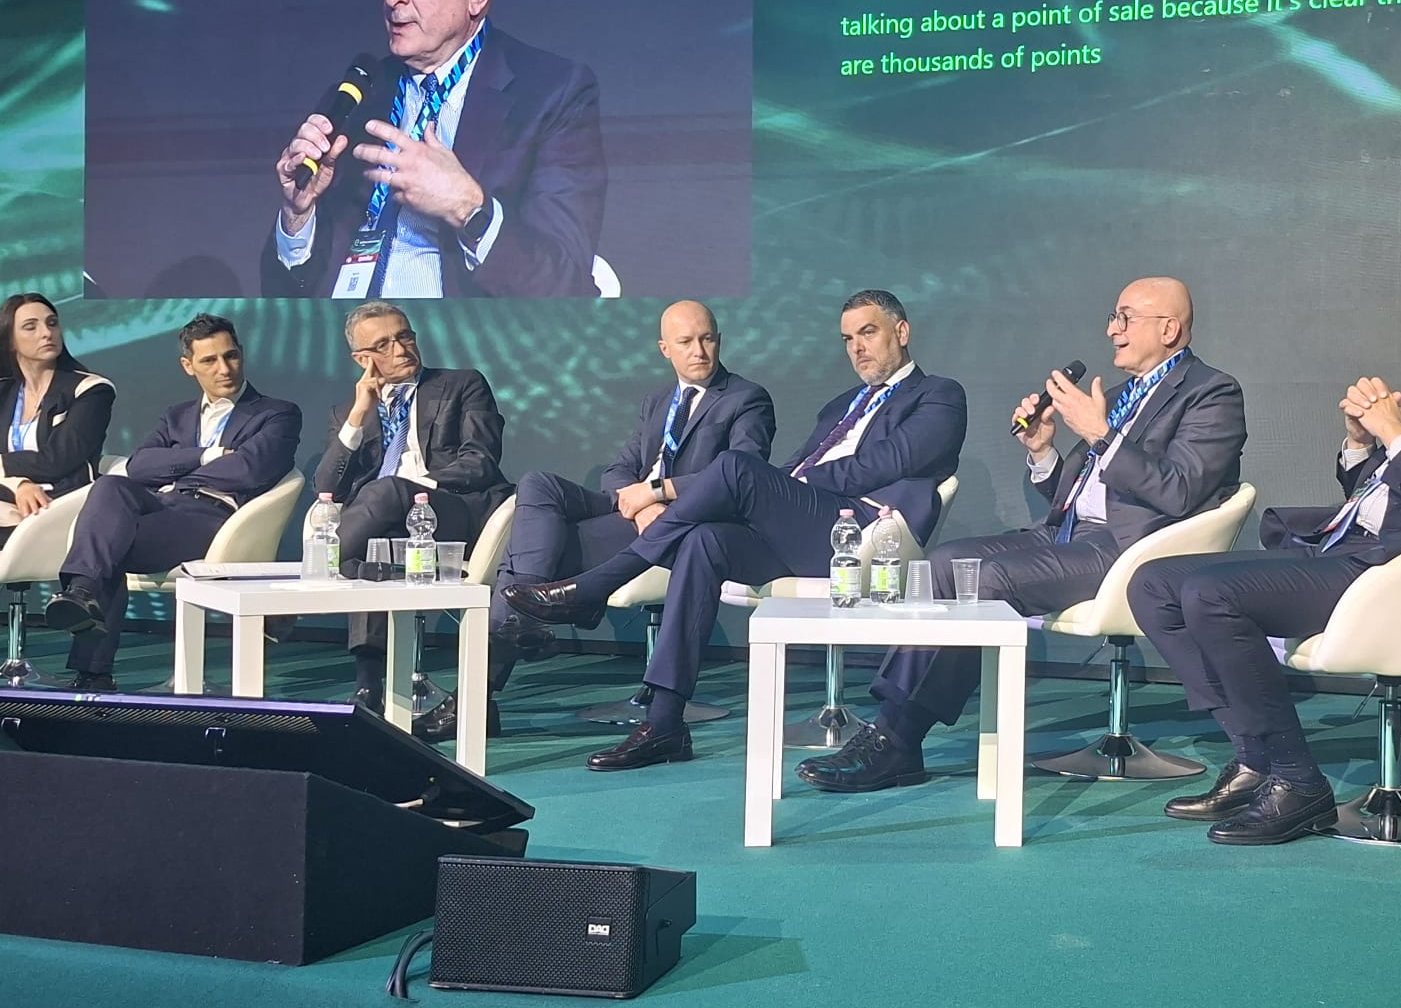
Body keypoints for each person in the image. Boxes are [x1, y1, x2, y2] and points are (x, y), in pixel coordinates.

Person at [1128, 254, 1401, 845]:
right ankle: (1256, 758)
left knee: (1211, 594)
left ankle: (1297, 783)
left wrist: (1396, 433)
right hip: (1346, 551)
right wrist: (1362, 445)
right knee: (1154, 582)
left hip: (1399, 574)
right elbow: (1385, 496)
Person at [798, 277, 1247, 794]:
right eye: (1113, 318)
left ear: (1168, 329)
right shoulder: (1120, 396)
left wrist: (1100, 434)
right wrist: (1043, 452)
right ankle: (895, 728)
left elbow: (1179, 491)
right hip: (1066, 533)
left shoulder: (1210, 392)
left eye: (1125, 318)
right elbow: (1078, 493)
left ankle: (895, 738)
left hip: (1128, 548)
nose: (1112, 330)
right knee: (944, 563)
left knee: (986, 582)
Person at [504, 289, 967, 773]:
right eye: (848, 338)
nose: (857, 347)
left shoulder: (939, 394)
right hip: (806, 530)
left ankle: (596, 586)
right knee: (705, 541)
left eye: (867, 333)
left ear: (901, 331)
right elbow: (795, 466)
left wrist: (784, 486)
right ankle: (664, 723)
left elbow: (888, 462)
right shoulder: (839, 406)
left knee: (735, 467)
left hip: (862, 531)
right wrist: (779, 486)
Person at [264, 0, 606, 299]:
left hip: (456, 336)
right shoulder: (360, 93)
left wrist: (468, 209)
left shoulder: (553, 93)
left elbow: (565, 284)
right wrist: (298, 216)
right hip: (340, 333)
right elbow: (286, 295)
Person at [487, 299, 777, 688]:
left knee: (529, 556)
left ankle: (483, 684)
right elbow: (619, 470)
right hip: (636, 512)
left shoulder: (745, 398)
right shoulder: (658, 401)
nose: (699, 351)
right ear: (665, 349)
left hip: (685, 520)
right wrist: (641, 506)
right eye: (686, 341)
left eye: (707, 339)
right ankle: (525, 614)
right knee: (538, 484)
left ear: (719, 341)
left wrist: (656, 495)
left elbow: (743, 474)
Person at [45, 316, 302, 690]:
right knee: (111, 489)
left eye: (230, 356)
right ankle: (83, 598)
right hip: (163, 510)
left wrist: (177, 470)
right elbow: (138, 466)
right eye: (209, 360)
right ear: (188, 365)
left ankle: (92, 663)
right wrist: (207, 455)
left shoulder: (277, 413)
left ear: (242, 354)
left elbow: (250, 469)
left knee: (108, 544)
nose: (224, 369)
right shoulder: (177, 416)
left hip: (212, 519)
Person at [317, 300, 510, 713]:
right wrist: (359, 414)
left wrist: (412, 488)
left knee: (387, 492)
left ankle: (317, 570)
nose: (400, 349)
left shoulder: (461, 384)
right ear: (362, 359)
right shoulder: (348, 413)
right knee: (375, 543)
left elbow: (480, 461)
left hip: (454, 508)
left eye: (404, 336)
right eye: (383, 345)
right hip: (385, 521)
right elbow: (327, 487)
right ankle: (369, 687)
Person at [0, 292, 115, 541]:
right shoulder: (4, 392)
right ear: (10, 341)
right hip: (11, 498)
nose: (46, 333)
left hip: (62, 501)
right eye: (31, 327)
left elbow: (56, 461)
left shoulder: (92, 390)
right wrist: (20, 484)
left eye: (52, 323)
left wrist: (4, 466)